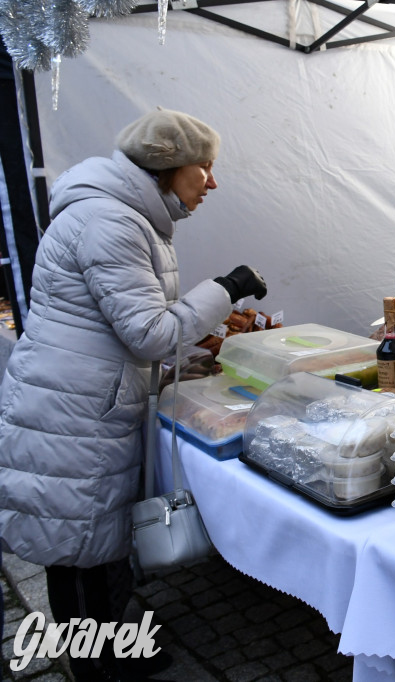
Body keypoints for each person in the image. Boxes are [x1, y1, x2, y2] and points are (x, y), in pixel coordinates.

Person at [0, 108, 267, 681]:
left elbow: (125, 327)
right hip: (71, 407)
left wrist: (184, 364)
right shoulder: (112, 222)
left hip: (81, 397)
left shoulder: (128, 216)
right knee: (76, 547)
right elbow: (147, 331)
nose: (212, 183)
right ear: (170, 168)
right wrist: (226, 289)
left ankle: (108, 650)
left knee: (91, 543)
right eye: (206, 168)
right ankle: (94, 668)